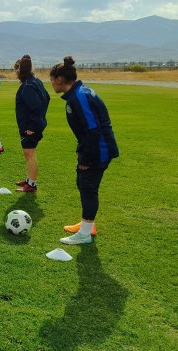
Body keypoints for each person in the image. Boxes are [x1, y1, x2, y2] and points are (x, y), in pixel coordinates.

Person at [50, 56, 118, 244]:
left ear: (59, 79)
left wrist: (86, 159)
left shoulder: (79, 96)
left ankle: (85, 234)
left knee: (88, 187)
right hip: (93, 148)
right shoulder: (78, 93)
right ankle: (87, 224)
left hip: (99, 150)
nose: (51, 84)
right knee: (83, 184)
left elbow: (93, 130)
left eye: (51, 80)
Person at [14, 56, 50, 192]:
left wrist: (32, 126)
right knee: (29, 154)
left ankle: (31, 185)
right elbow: (47, 98)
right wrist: (40, 119)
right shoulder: (36, 81)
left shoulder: (27, 86)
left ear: (19, 71)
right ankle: (29, 179)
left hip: (30, 127)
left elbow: (36, 106)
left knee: (30, 154)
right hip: (35, 124)